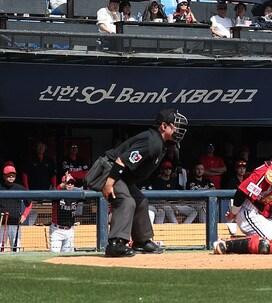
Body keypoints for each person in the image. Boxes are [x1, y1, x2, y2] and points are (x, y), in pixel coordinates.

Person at [84, 108, 187, 256]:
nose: (178, 129)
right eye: (174, 125)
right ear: (164, 126)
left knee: (140, 201)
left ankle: (142, 241)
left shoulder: (161, 143)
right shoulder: (152, 141)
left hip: (122, 175)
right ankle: (116, 243)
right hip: (110, 170)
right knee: (126, 201)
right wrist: (109, 184)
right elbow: (122, 160)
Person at [49, 172, 83, 253]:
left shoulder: (76, 195)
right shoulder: (57, 194)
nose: (70, 185)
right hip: (57, 230)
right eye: (68, 183)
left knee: (68, 257)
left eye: (72, 183)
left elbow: (86, 191)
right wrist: (62, 184)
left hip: (70, 230)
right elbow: (55, 191)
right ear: (63, 184)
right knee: (54, 255)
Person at [0, 164, 27, 251]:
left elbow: (29, 203)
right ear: (4, 175)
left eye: (13, 174)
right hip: (1, 225)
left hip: (15, 224)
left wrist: (24, 215)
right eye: (9, 174)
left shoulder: (20, 188)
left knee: (16, 250)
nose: (11, 176)